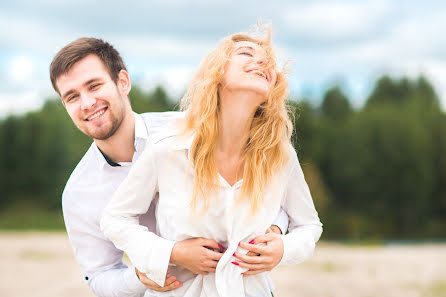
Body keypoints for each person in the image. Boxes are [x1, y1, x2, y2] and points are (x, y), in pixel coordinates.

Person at [50, 37, 290, 297]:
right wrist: (144, 272)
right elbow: (99, 275)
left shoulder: (195, 130)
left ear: (123, 82)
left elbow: (273, 191)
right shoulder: (78, 193)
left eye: (94, 85)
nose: (86, 103)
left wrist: (273, 230)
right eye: (72, 97)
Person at [101, 26, 322, 297]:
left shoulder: (280, 155)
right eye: (245, 53)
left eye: (268, 61)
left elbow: (309, 226)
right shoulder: (168, 148)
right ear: (217, 73)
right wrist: (173, 252)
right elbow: (115, 219)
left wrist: (282, 250)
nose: (264, 62)